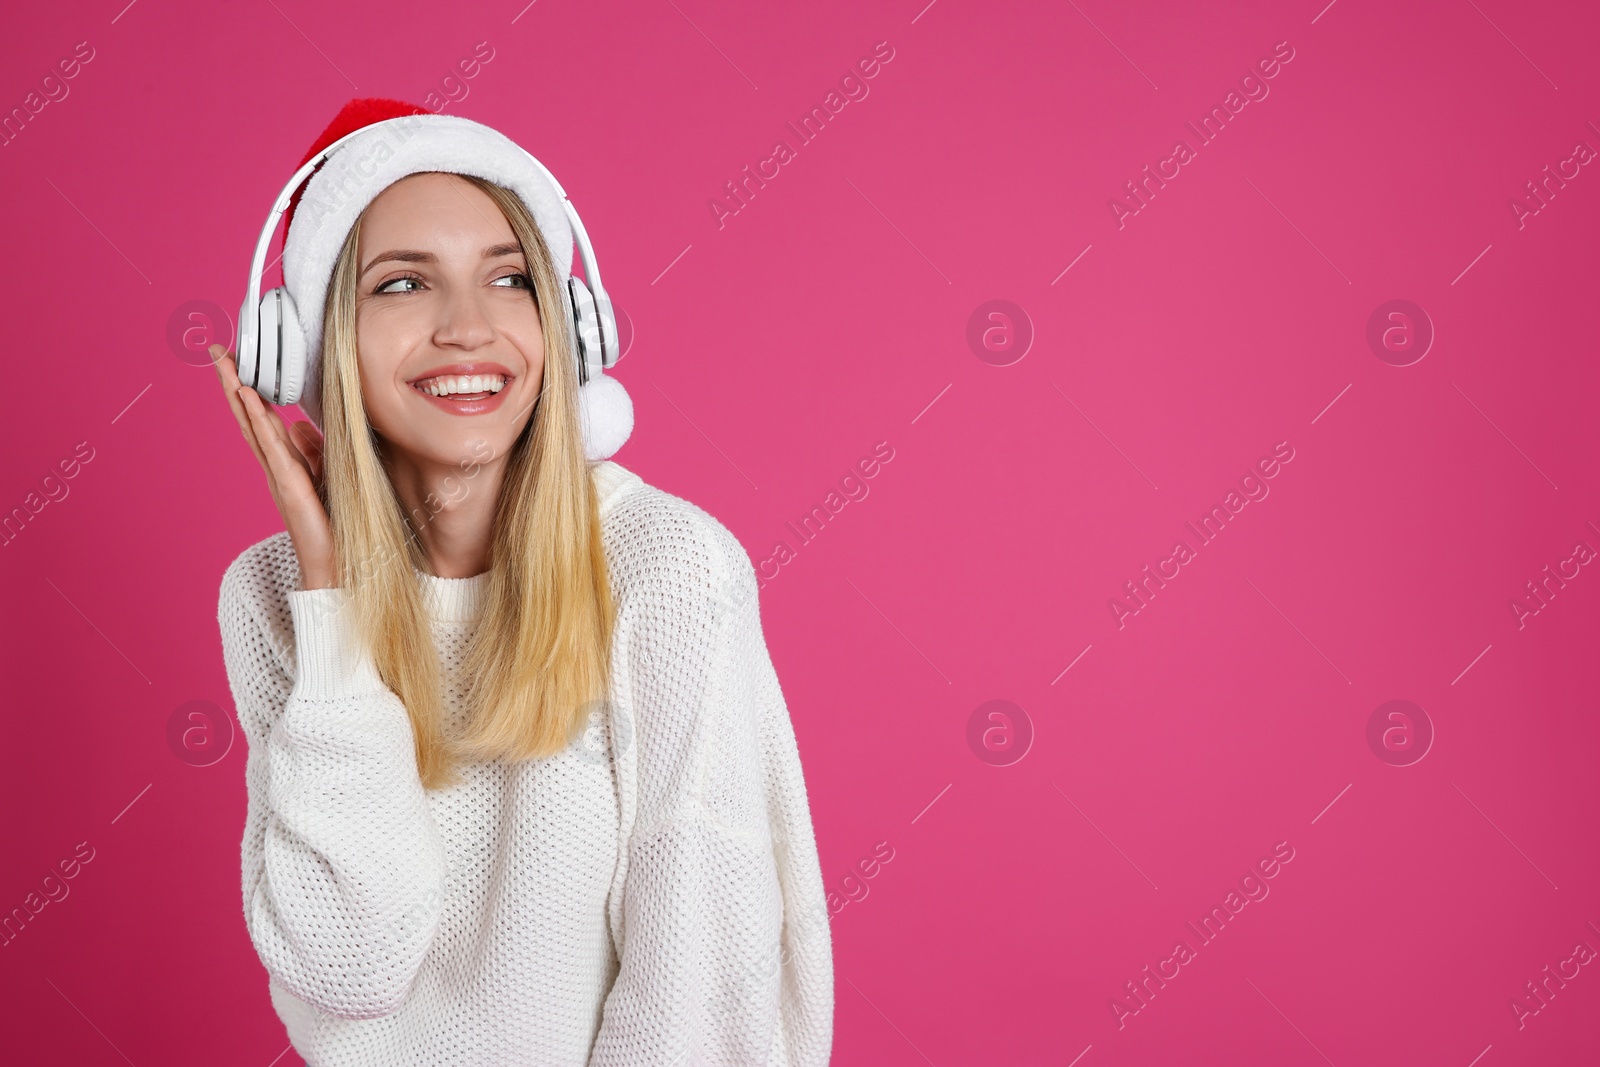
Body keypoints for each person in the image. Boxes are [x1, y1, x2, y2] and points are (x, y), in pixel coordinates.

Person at [213, 98, 833, 1066]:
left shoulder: (669, 568)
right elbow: (348, 970)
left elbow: (702, 980)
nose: (470, 328)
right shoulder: (273, 594)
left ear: (569, 324)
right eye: (403, 283)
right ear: (304, 343)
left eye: (509, 279)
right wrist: (334, 606)